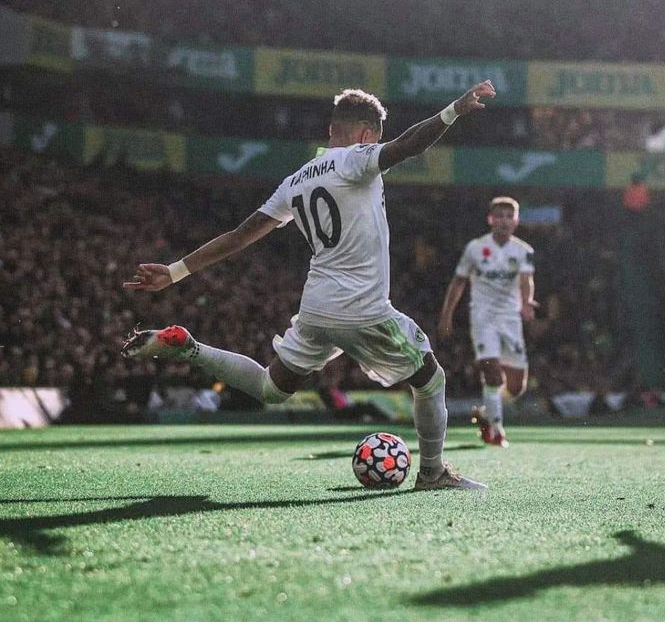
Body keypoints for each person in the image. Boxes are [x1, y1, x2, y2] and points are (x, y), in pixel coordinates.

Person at [121, 80, 496, 491]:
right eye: (376, 139)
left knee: (271, 386)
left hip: (317, 307)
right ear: (366, 135)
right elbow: (409, 146)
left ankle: (188, 346)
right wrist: (453, 110)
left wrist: (174, 272)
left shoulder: (296, 179)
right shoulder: (356, 159)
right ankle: (432, 472)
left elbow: (239, 236)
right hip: (363, 307)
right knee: (430, 378)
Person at [438, 196, 537, 447]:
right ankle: (495, 430)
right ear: (490, 219)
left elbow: (526, 280)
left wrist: (526, 303)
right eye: (499, 216)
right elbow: (459, 281)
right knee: (492, 372)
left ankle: (486, 412)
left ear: (516, 221)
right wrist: (447, 314)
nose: (504, 221)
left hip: (510, 319)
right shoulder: (475, 248)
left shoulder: (523, 251)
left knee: (516, 387)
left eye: (509, 216)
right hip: (483, 317)